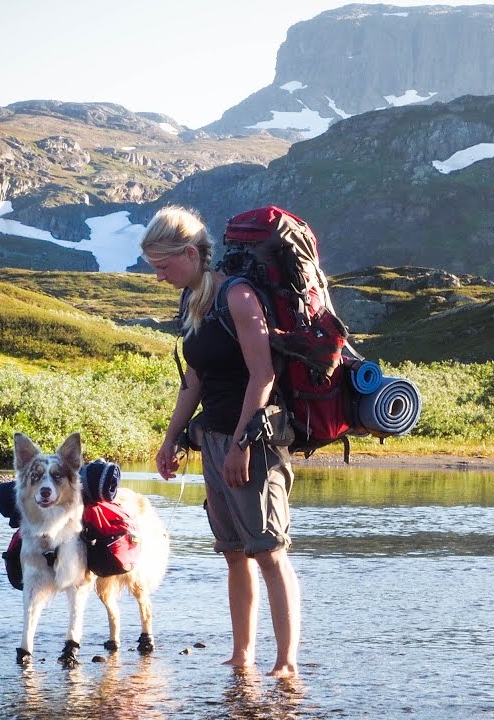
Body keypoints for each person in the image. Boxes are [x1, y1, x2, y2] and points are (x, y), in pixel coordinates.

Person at [145, 205, 301, 679]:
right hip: (211, 439)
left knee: (269, 551)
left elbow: (263, 375)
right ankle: (243, 655)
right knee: (234, 553)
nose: (159, 277)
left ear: (190, 253)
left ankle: (286, 663)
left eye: (163, 266)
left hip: (252, 442)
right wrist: (170, 439)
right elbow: (192, 380)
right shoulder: (192, 303)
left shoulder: (238, 296)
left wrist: (241, 445)